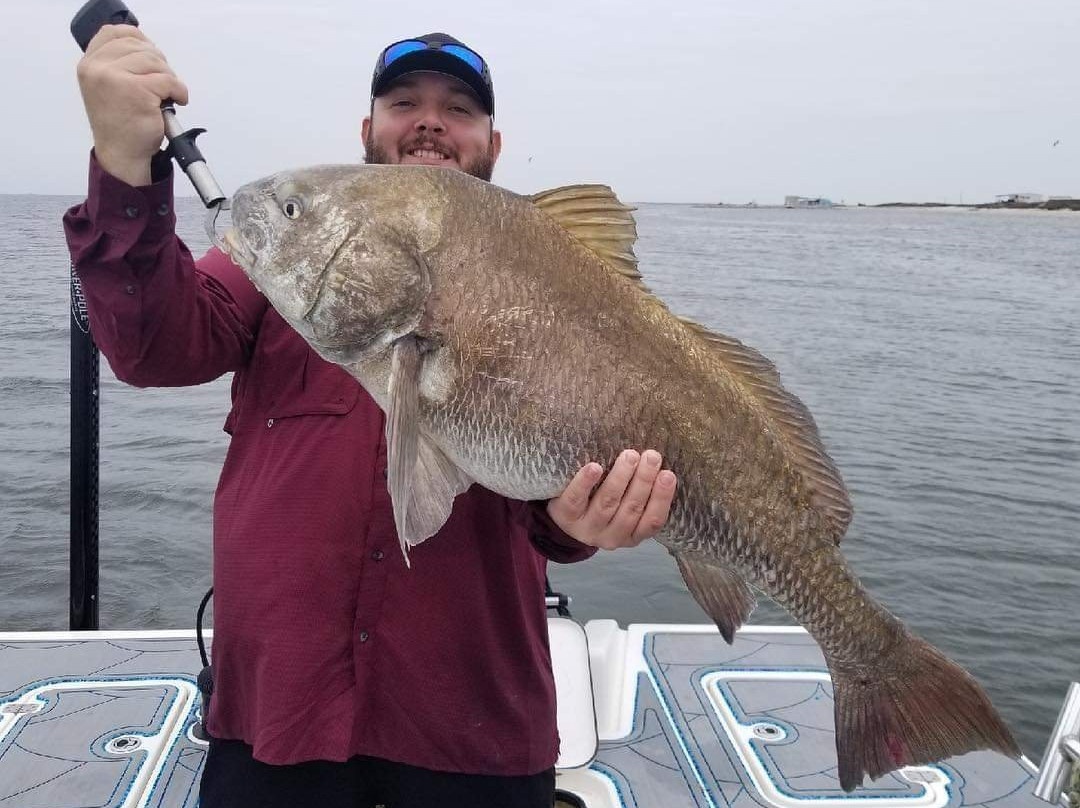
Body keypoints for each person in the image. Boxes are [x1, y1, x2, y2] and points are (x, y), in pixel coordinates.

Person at [65, 27, 678, 808]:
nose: (429, 121)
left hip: (470, 727)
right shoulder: (288, 257)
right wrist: (125, 167)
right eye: (403, 102)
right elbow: (153, 347)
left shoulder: (551, 282)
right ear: (367, 131)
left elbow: (549, 513)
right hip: (279, 719)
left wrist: (582, 522)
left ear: (494, 142)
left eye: (458, 108)